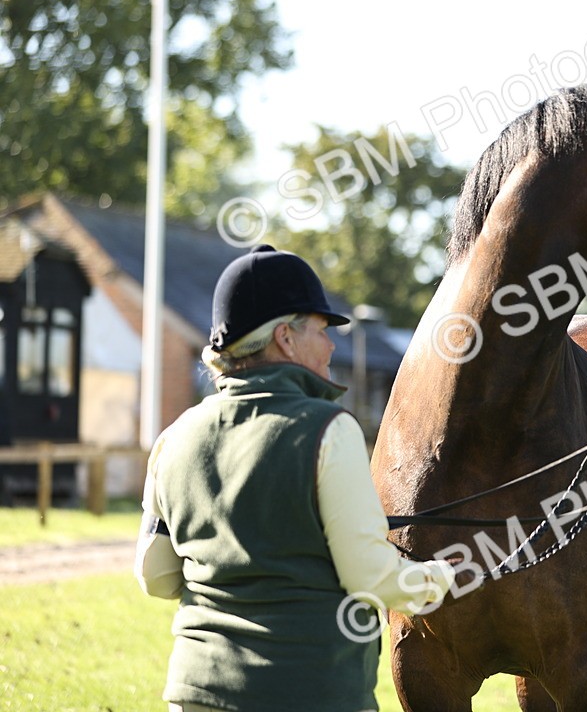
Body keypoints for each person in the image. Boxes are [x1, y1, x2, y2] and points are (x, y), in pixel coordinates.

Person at [134, 244, 454, 712]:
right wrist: (440, 578)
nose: (331, 345)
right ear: (285, 337)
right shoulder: (330, 429)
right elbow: (369, 575)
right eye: (323, 330)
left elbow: (156, 577)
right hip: (310, 691)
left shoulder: (171, 440)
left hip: (194, 693)